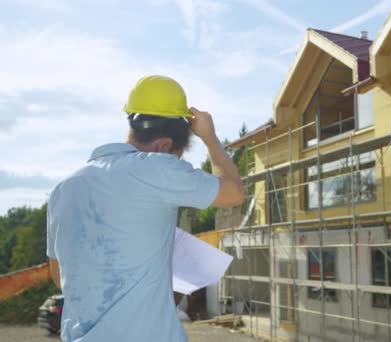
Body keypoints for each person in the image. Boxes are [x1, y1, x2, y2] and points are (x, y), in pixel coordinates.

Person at [46, 75, 244, 341]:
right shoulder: (156, 167)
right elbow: (233, 191)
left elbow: (60, 277)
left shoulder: (64, 187)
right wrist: (210, 138)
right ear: (163, 146)